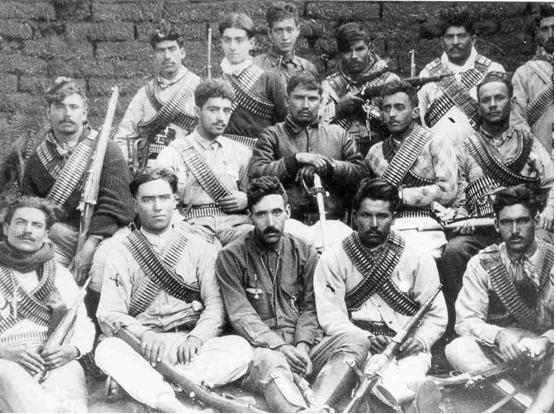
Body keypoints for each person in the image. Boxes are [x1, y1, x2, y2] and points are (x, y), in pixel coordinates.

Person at [95, 168, 252, 412]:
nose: (157, 206)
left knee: (239, 349)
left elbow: (215, 305)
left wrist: (196, 338)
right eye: (148, 200)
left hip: (187, 346)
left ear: (175, 201)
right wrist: (143, 334)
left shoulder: (201, 247)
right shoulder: (120, 251)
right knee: (107, 350)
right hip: (144, 345)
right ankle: (171, 405)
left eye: (164, 198)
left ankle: (146, 382)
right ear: (135, 205)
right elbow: (109, 313)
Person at [216, 176, 370, 412]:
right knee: (272, 363)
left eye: (277, 212)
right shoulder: (231, 256)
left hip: (302, 348)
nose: (270, 222)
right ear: (250, 217)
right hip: (259, 351)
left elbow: (311, 306)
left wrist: (302, 347)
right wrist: (280, 347)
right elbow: (241, 316)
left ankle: (317, 405)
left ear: (288, 212)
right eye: (261, 214)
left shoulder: (305, 250)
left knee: (357, 341)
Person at [313, 178, 447, 410]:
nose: (374, 224)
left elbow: (435, 314)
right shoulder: (334, 258)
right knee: (374, 376)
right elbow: (330, 315)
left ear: (393, 218)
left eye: (382, 216)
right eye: (366, 215)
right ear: (354, 216)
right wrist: (364, 339)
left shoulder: (416, 256)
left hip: (408, 348)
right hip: (362, 347)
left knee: (410, 375)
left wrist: (421, 341)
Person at [438, 72, 554, 337]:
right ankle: (462, 331)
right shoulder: (466, 147)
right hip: (482, 230)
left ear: (510, 102)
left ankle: (545, 328)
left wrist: (549, 209)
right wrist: (461, 217)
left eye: (499, 98)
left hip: (525, 229)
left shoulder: (529, 144)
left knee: (548, 248)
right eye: (486, 100)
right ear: (478, 106)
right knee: (454, 252)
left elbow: (552, 181)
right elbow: (459, 194)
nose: (492, 104)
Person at [445, 185, 553, 411]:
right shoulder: (482, 263)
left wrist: (546, 340)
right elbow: (466, 321)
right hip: (503, 354)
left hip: (547, 352)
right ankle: (530, 401)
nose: (515, 230)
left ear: (535, 220)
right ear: (496, 225)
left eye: (523, 221)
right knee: (456, 349)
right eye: (506, 222)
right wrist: (499, 335)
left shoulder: (552, 260)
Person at [20, 78, 135, 285]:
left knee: (105, 263)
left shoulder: (106, 150)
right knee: (37, 271)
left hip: (103, 235)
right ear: (48, 113)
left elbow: (118, 205)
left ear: (84, 113)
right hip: (57, 236)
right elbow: (29, 204)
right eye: (59, 107)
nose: (67, 113)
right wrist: (52, 228)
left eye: (74, 107)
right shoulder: (38, 158)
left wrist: (90, 244)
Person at [0, 197, 95, 412]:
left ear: (46, 234)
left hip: (50, 359)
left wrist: (72, 350)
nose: (27, 230)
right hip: (5, 361)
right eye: (20, 222)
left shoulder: (58, 273)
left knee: (70, 378)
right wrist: (4, 352)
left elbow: (83, 322)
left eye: (37, 225)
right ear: (6, 228)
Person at [250, 72, 365, 225]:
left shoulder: (339, 134)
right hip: (287, 225)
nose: (305, 105)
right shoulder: (272, 135)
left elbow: (361, 173)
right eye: (299, 98)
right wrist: (295, 160)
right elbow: (257, 174)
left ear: (322, 100)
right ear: (286, 100)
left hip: (334, 223)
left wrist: (328, 167)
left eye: (312, 99)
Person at [156, 78, 253, 246]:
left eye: (226, 111)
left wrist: (248, 199)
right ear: (197, 111)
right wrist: (181, 225)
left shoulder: (241, 152)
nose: (221, 117)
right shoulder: (173, 152)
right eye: (213, 110)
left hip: (237, 226)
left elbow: (258, 193)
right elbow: (162, 199)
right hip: (194, 226)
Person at [366, 80, 457, 255]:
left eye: (400, 107)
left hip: (426, 225)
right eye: (387, 108)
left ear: (415, 112)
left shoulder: (436, 141)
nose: (392, 114)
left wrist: (401, 196)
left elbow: (447, 191)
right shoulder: (374, 153)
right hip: (385, 226)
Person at [114, 21, 201, 169]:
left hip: (187, 167)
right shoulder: (145, 94)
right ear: (154, 54)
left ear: (183, 52)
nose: (167, 56)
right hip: (150, 171)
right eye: (161, 50)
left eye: (172, 49)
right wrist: (134, 166)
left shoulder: (198, 88)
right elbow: (123, 138)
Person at [418, 7, 505, 147]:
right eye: (449, 37)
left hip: (483, 154)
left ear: (474, 39)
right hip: (440, 158)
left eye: (462, 36)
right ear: (442, 41)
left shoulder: (492, 70)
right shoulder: (427, 74)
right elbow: (421, 123)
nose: (455, 42)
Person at [321, 22, 399, 156]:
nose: (354, 56)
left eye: (359, 49)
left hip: (385, 155)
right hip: (342, 156)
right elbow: (315, 124)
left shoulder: (390, 80)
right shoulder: (330, 86)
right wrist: (338, 108)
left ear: (369, 48)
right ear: (339, 53)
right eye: (347, 51)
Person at [217, 13, 288, 139]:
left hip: (259, 153)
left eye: (239, 40)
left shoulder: (270, 80)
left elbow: (283, 125)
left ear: (251, 43)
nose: (232, 47)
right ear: (221, 43)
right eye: (227, 40)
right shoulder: (216, 80)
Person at [511, 6, 554, 154]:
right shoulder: (524, 74)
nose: (551, 34)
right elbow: (516, 120)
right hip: (543, 156)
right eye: (545, 29)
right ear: (537, 33)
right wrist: (537, 154)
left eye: (555, 27)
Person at [254, 1, 319, 88]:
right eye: (278, 30)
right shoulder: (255, 66)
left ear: (298, 31)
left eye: (289, 30)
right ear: (269, 33)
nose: (285, 37)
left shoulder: (308, 68)